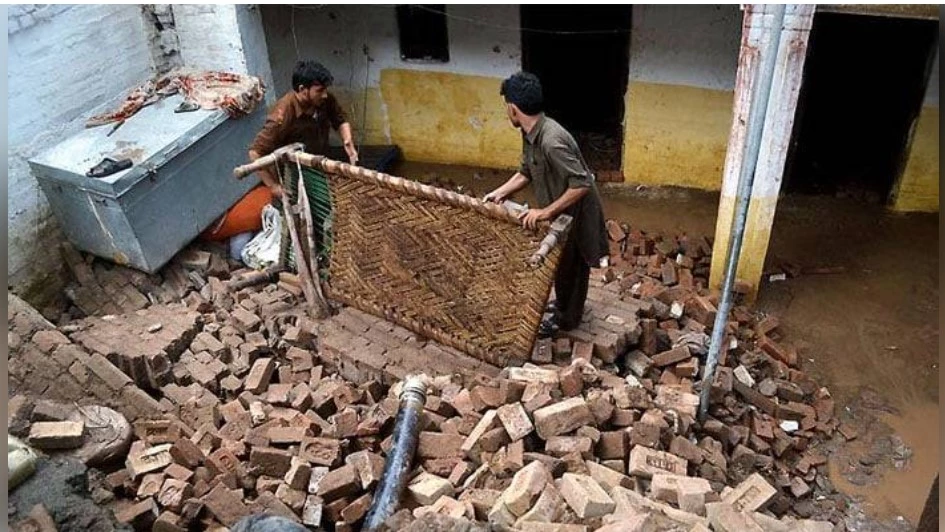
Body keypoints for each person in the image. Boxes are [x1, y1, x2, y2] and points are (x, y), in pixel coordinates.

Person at [484, 71, 609, 337]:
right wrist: (499, 193)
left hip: (577, 211)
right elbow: (525, 171)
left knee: (573, 265)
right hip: (560, 209)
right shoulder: (531, 134)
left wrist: (545, 211)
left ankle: (567, 321)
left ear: (513, 109)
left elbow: (582, 183)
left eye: (506, 107)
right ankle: (563, 306)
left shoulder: (552, 141)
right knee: (561, 262)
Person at [248, 60, 360, 198]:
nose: (325, 94)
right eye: (319, 91)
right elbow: (255, 153)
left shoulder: (324, 99)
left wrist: (348, 141)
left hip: (321, 166)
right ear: (302, 89)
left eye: (325, 90)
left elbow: (340, 119)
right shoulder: (282, 115)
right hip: (296, 178)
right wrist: (273, 186)